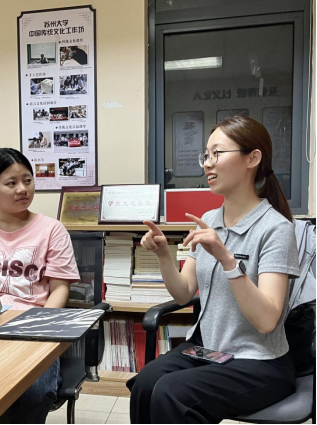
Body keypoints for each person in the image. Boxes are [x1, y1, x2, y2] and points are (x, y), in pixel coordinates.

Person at [128, 115, 300, 424]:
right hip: (209, 351)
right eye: (205, 155)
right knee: (146, 382)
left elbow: (266, 321)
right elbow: (183, 293)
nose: (208, 163)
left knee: (171, 392)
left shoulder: (276, 228)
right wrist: (164, 255)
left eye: (217, 153)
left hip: (260, 362)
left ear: (252, 158)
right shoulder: (209, 220)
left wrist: (227, 260)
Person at [0, 148, 80, 424]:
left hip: (33, 329)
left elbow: (60, 289)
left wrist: (39, 328)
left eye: (27, 180)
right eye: (11, 183)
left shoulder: (52, 229)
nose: (22, 189)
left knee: (33, 393)